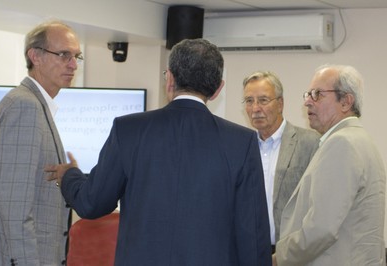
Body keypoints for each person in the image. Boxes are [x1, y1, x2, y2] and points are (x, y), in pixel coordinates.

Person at [45, 38, 272, 265]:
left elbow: (91, 203)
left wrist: (69, 175)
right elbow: (252, 236)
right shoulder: (242, 142)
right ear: (217, 89)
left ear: (170, 79)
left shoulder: (128, 130)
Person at [0, 20, 83, 265]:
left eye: (76, 56)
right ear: (35, 56)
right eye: (64, 55)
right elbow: (15, 207)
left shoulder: (34, 104)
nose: (73, 65)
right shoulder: (25, 106)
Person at [274, 64, 386, 266]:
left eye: (317, 94)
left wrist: (278, 258)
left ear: (346, 102)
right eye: (308, 94)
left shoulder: (342, 143)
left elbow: (321, 229)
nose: (307, 102)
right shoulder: (360, 140)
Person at [242, 71, 319, 252]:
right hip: (251, 251)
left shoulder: (310, 142)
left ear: (280, 104)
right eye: (249, 101)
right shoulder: (240, 147)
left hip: (294, 253)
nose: (255, 108)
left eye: (263, 100)